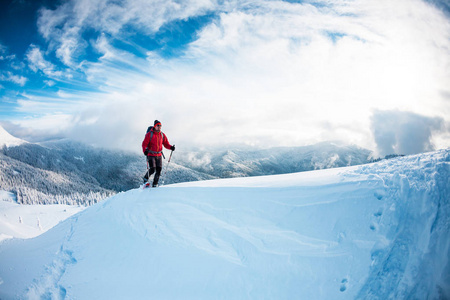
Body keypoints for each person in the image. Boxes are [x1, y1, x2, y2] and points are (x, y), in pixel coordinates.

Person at [142, 120, 175, 187]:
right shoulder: (149, 134)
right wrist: (145, 151)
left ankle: (155, 184)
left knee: (159, 169)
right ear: (155, 126)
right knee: (152, 169)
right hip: (151, 154)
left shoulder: (162, 135)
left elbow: (166, 144)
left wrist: (171, 147)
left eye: (160, 125)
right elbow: (144, 144)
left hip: (159, 155)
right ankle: (145, 179)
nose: (159, 127)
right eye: (158, 125)